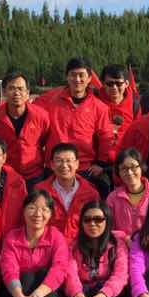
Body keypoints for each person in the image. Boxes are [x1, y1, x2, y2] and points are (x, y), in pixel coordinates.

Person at [0, 190, 69, 297]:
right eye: (32, 208)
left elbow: (59, 269)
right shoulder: (12, 237)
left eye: (44, 209)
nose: (38, 214)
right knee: (26, 275)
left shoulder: (56, 236)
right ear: (23, 211)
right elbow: (9, 270)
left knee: (46, 276)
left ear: (51, 214)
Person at [41, 57, 115, 196]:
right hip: (55, 166)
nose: (77, 79)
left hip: (84, 168)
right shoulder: (50, 101)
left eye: (81, 75)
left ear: (89, 78)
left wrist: (100, 163)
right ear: (67, 77)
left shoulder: (99, 107)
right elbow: (30, 113)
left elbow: (106, 137)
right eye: (73, 75)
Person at [0, 71, 51, 190]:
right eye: (11, 88)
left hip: (35, 174)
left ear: (27, 93)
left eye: (20, 89)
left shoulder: (41, 116)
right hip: (6, 174)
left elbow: (46, 139)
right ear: (4, 92)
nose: (16, 93)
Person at [34, 143, 100, 241]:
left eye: (69, 161)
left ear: (77, 164)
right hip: (48, 245)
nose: (64, 165)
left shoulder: (90, 193)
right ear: (52, 165)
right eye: (59, 161)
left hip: (81, 246)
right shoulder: (40, 191)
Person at [106, 148, 149, 238]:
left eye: (133, 167)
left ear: (141, 167)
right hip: (121, 244)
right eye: (124, 168)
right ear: (118, 172)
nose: (129, 172)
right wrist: (124, 237)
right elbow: (108, 228)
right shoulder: (113, 198)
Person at [97, 64, 140, 157]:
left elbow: (138, 134)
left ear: (126, 83)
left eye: (119, 84)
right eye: (110, 84)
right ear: (103, 83)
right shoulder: (95, 102)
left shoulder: (134, 104)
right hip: (99, 160)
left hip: (125, 158)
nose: (114, 87)